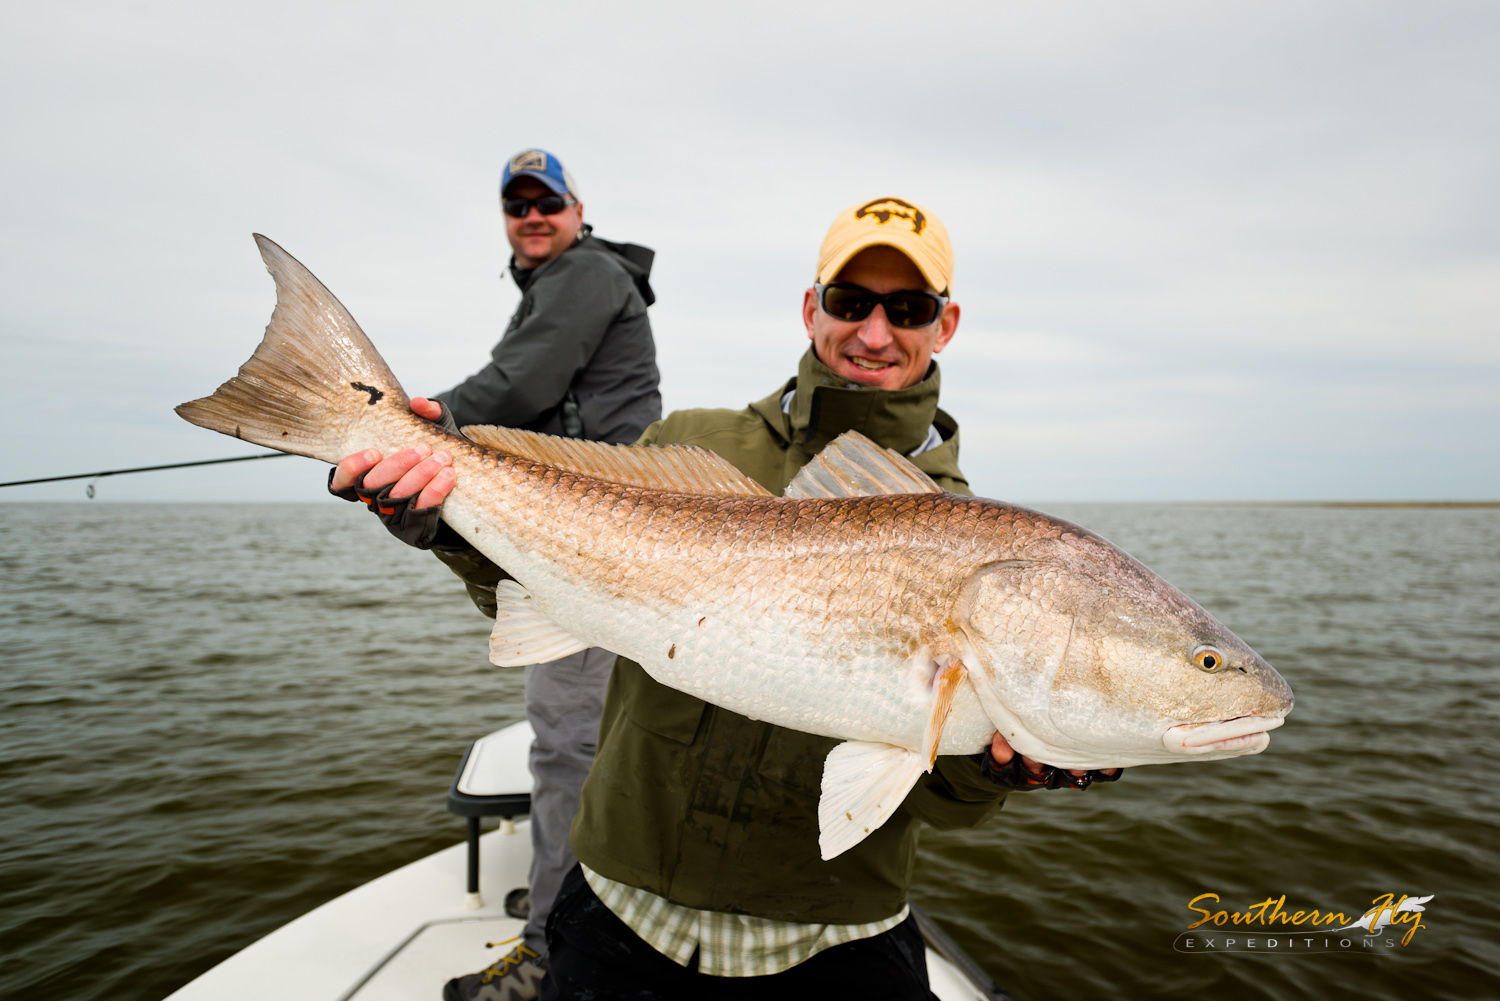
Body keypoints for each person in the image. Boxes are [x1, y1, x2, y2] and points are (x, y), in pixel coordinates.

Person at [335, 196, 1118, 999]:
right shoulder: (692, 443)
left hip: (836, 941)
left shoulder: (983, 538)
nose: (875, 333)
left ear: (945, 324)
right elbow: (547, 579)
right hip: (620, 910)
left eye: (907, 308)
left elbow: (942, 804)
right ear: (811, 309)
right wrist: (453, 530)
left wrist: (995, 771)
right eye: (851, 303)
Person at [329, 148, 661, 999]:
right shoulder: (564, 284)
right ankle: (581, 918)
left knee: (568, 749)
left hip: (600, 542)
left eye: (546, 200)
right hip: (581, 534)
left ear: (578, 210)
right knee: (586, 746)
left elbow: (519, 383)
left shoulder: (585, 275)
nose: (532, 215)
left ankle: (553, 947)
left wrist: (398, 432)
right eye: (516, 204)